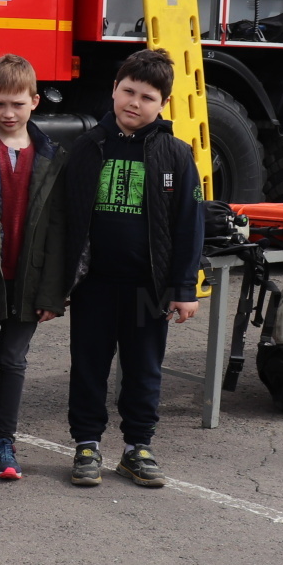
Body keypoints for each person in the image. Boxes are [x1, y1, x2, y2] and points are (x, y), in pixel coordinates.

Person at [45, 48, 205, 489]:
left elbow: (190, 226)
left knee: (143, 368)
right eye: (128, 91)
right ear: (114, 89)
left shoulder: (175, 155)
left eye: (147, 97)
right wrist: (56, 284)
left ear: (162, 104)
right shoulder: (87, 147)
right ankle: (87, 444)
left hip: (145, 290)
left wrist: (184, 287)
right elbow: (63, 219)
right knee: (89, 365)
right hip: (94, 285)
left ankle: (138, 447)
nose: (135, 102)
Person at [0, 54, 67, 484]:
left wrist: (52, 293)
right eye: (0, 104)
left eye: (17, 105)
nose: (8, 113)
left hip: (30, 280)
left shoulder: (53, 157)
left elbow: (60, 231)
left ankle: (5, 439)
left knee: (15, 361)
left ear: (35, 102)